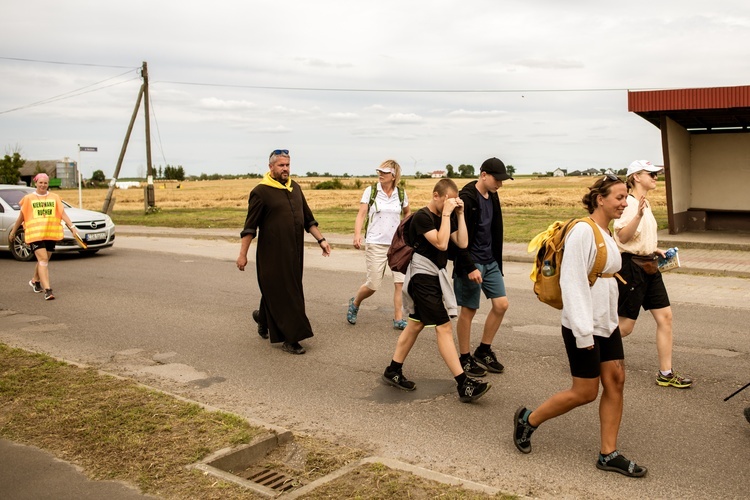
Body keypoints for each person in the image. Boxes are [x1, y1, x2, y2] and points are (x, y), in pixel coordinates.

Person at [514, 175, 648, 478]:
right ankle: (528, 419)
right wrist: (583, 332)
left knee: (616, 380)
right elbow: (572, 282)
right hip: (583, 326)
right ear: (600, 199)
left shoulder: (605, 230)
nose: (624, 202)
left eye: (626, 197)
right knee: (585, 392)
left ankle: (608, 453)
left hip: (606, 322)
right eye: (618, 197)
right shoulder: (582, 232)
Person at [382, 178, 491, 403]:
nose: (450, 205)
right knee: (443, 328)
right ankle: (464, 384)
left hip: (433, 277)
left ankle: (393, 369)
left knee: (415, 325)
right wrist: (446, 216)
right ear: (436, 196)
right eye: (447, 201)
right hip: (422, 278)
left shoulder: (446, 217)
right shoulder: (423, 217)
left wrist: (459, 215)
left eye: (453, 201)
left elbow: (462, 243)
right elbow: (441, 244)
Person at [236, 149, 332, 355]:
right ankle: (291, 339)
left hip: (295, 253)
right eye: (281, 165)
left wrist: (321, 240)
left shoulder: (295, 188)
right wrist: (242, 254)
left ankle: (263, 318)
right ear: (271, 167)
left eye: (287, 165)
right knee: (288, 294)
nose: (285, 169)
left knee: (282, 289)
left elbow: (308, 219)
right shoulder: (260, 192)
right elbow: (249, 228)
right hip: (272, 255)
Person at [614, 160, 693, 389]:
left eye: (657, 174)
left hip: (650, 265)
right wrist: (637, 216)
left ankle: (666, 373)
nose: (656, 177)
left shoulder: (643, 203)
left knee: (665, 317)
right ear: (636, 176)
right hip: (632, 268)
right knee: (626, 327)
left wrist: (655, 249)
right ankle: (587, 345)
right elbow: (623, 238)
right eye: (652, 174)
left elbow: (639, 238)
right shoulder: (628, 203)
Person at [453, 157, 511, 378]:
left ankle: (483, 350)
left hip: (490, 260)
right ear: (483, 175)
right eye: (497, 179)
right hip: (471, 262)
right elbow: (458, 238)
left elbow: (494, 230)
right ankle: (465, 357)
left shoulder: (493, 196)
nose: (500, 184)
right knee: (469, 310)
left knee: (501, 304)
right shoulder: (466, 198)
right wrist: (469, 267)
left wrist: (497, 261)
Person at [347, 159, 411, 330]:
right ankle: (355, 302)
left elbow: (407, 213)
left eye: (384, 172)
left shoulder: (402, 194)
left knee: (400, 283)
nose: (380, 175)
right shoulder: (371, 191)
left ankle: (398, 319)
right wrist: (357, 235)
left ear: (394, 175)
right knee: (373, 284)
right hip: (376, 243)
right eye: (379, 172)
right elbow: (361, 215)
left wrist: (406, 234)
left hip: (397, 245)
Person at [8, 173, 81, 301]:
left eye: (45, 183)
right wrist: (13, 231)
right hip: (35, 234)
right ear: (35, 183)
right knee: (43, 260)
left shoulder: (55, 197)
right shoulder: (28, 198)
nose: (43, 185)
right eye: (40, 182)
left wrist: (72, 227)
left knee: (45, 259)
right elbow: (21, 217)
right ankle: (48, 290)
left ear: (48, 184)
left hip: (50, 233)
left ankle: (35, 281)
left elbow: (62, 213)